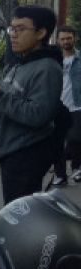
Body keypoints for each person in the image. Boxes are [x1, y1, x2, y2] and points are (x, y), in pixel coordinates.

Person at [0, 5, 65, 204]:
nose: (13, 35)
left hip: (27, 154)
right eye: (12, 29)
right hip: (11, 151)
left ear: (41, 32)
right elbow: (8, 103)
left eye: (21, 29)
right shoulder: (18, 64)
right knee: (14, 208)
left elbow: (39, 114)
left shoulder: (47, 68)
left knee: (19, 212)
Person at [52, 26, 81, 186]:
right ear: (58, 41)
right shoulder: (55, 60)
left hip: (77, 105)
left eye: (69, 38)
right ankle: (60, 174)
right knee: (57, 142)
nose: (66, 41)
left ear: (74, 38)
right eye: (63, 39)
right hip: (57, 106)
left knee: (76, 139)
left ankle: (77, 168)